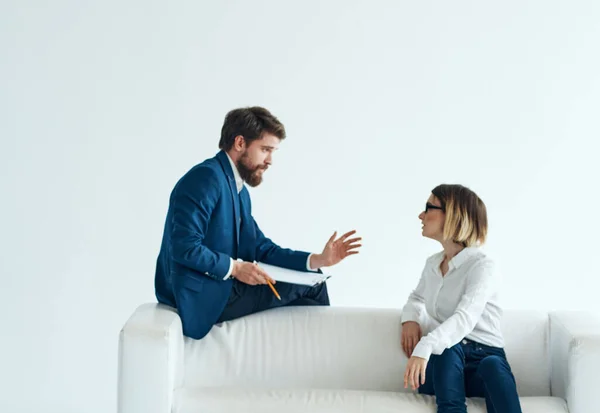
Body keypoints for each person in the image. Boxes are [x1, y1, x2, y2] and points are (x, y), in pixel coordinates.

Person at [154, 106, 361, 339]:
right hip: (199, 294)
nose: (270, 160)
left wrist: (317, 259)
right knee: (314, 286)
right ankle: (321, 363)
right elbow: (185, 247)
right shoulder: (206, 178)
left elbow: (261, 248)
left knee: (314, 277)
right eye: (265, 150)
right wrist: (236, 268)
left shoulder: (237, 188)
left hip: (220, 286)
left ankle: (301, 364)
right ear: (240, 143)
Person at [401, 184, 522, 413]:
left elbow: (464, 318)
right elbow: (416, 297)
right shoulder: (432, 264)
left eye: (429, 208)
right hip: (446, 366)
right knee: (448, 348)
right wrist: (410, 319)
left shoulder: (482, 266)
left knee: (493, 365)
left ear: (454, 215)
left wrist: (425, 345)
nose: (421, 215)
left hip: (483, 362)